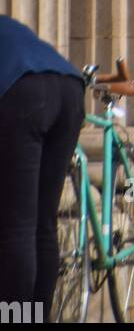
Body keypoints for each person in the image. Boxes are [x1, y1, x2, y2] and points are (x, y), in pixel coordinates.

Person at [0, 16, 85, 315]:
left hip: (24, 91)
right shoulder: (9, 27)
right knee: (42, 225)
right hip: (70, 88)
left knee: (16, 229)